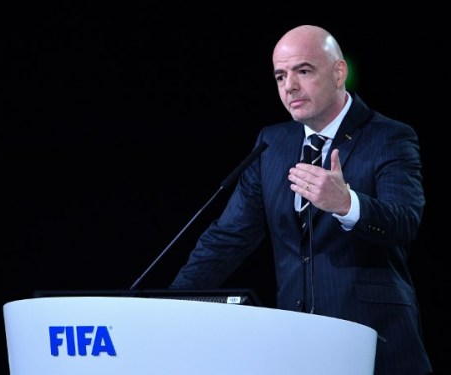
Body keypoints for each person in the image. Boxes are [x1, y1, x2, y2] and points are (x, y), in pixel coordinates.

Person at [169, 25, 432, 374]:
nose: (289, 86)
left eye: (303, 71)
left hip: (376, 343)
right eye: (280, 76)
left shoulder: (389, 136)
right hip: (298, 346)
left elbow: (405, 221)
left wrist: (346, 203)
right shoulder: (272, 145)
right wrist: (170, 303)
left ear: (339, 73)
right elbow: (228, 238)